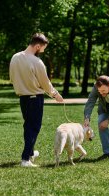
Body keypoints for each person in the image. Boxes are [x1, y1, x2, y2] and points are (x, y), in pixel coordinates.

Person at [9, 33, 64, 167]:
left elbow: (12, 78)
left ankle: (31, 153)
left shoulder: (15, 57)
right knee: (33, 128)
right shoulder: (37, 62)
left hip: (23, 98)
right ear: (37, 46)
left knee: (28, 126)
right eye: (43, 49)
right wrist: (56, 95)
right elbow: (45, 84)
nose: (43, 51)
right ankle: (25, 159)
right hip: (35, 98)